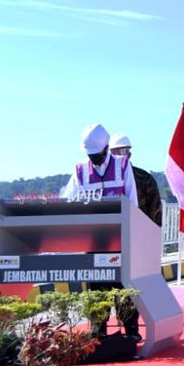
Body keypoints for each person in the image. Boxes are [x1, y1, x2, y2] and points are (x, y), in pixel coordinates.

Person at [61, 124, 141, 338]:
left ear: (106, 148)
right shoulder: (80, 171)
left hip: (120, 238)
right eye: (91, 155)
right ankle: (98, 331)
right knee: (97, 288)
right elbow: (68, 200)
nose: (94, 158)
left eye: (97, 154)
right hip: (92, 241)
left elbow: (132, 200)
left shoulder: (123, 166)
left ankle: (131, 329)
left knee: (123, 286)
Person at [109, 134, 162, 227]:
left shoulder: (145, 178)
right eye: (114, 153)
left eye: (122, 151)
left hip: (139, 231)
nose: (118, 156)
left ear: (129, 154)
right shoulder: (104, 179)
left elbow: (156, 212)